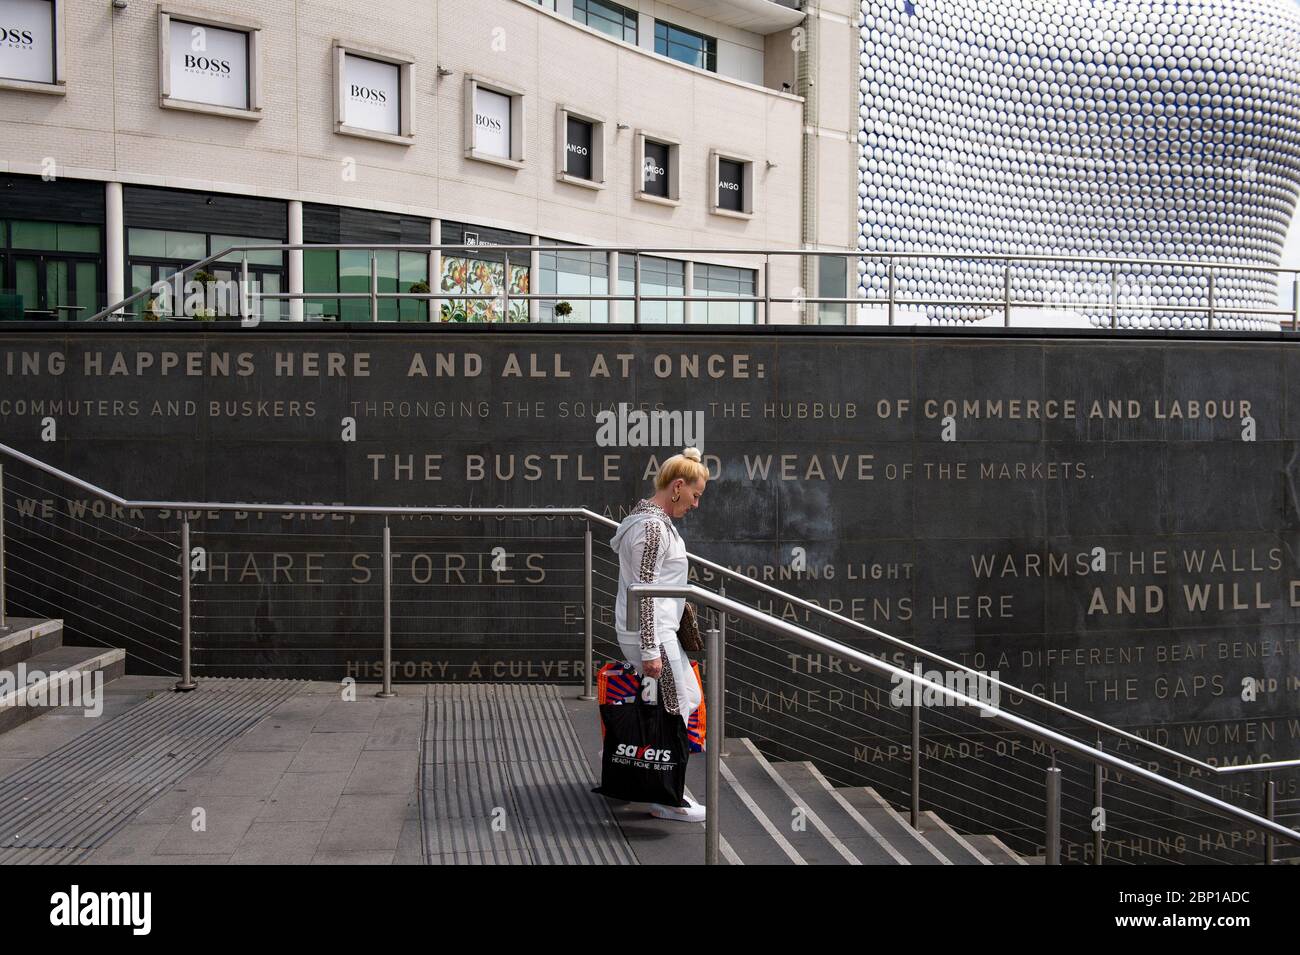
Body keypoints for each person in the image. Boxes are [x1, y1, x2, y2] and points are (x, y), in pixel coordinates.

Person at [610, 447, 709, 823]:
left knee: (689, 698)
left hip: (660, 633)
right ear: (678, 486)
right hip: (652, 636)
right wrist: (651, 649)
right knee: (674, 710)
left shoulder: (653, 521)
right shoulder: (651, 528)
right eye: (695, 495)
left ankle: (651, 779)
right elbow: (644, 592)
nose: (696, 505)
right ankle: (666, 797)